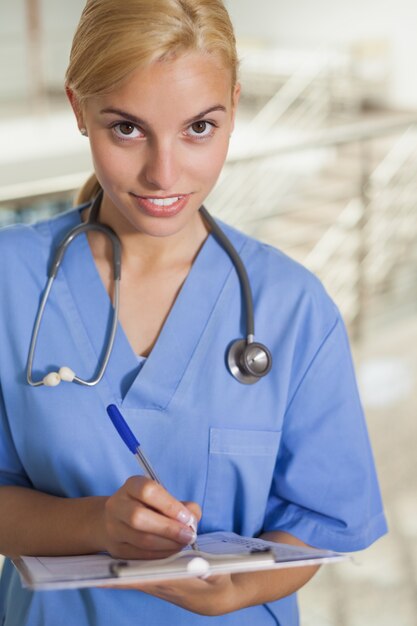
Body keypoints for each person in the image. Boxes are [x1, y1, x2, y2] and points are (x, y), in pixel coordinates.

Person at [0, 0, 387, 624]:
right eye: (127, 128)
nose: (164, 173)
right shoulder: (9, 281)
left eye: (199, 128)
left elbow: (321, 520)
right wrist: (95, 521)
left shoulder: (293, 308)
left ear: (233, 108)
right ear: (78, 110)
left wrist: (236, 592)